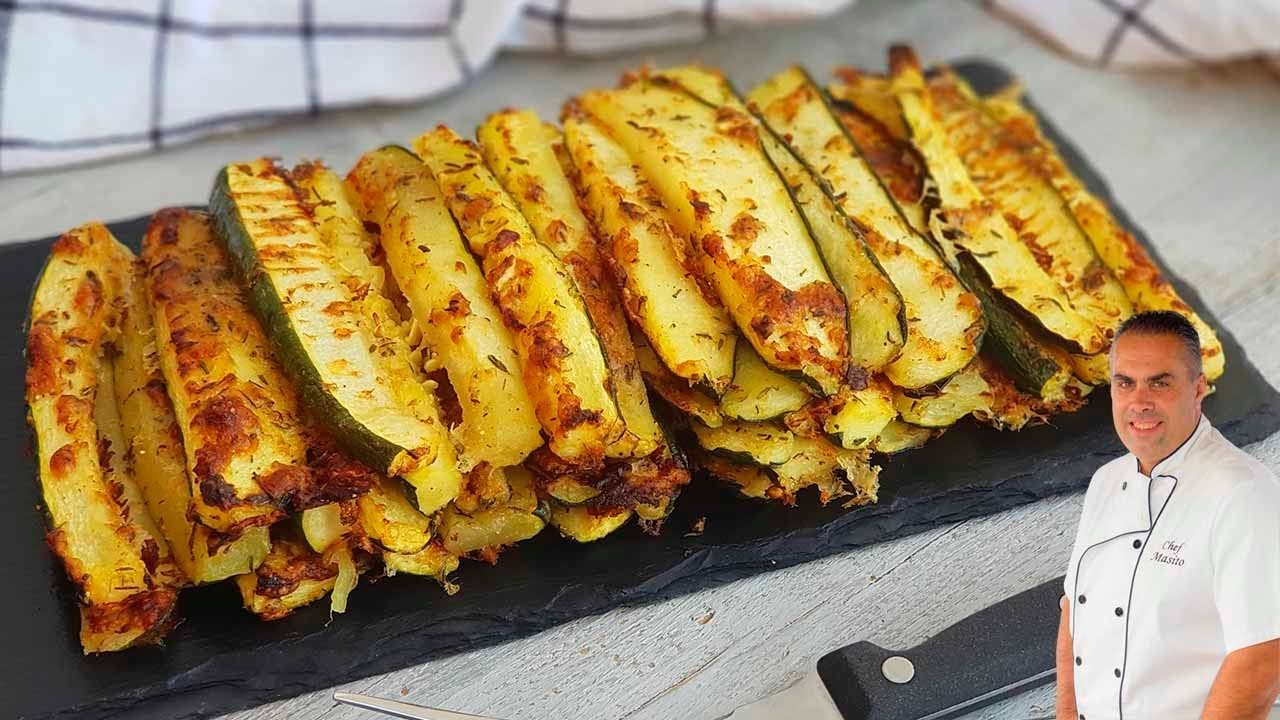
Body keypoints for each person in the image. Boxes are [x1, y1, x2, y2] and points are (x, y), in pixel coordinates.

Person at [1056, 310, 1280, 720]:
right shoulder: (1106, 482)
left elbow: (1263, 652)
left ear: (1199, 388)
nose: (1139, 402)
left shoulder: (1242, 491)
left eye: (1160, 383)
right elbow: (1075, 609)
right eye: (1125, 383)